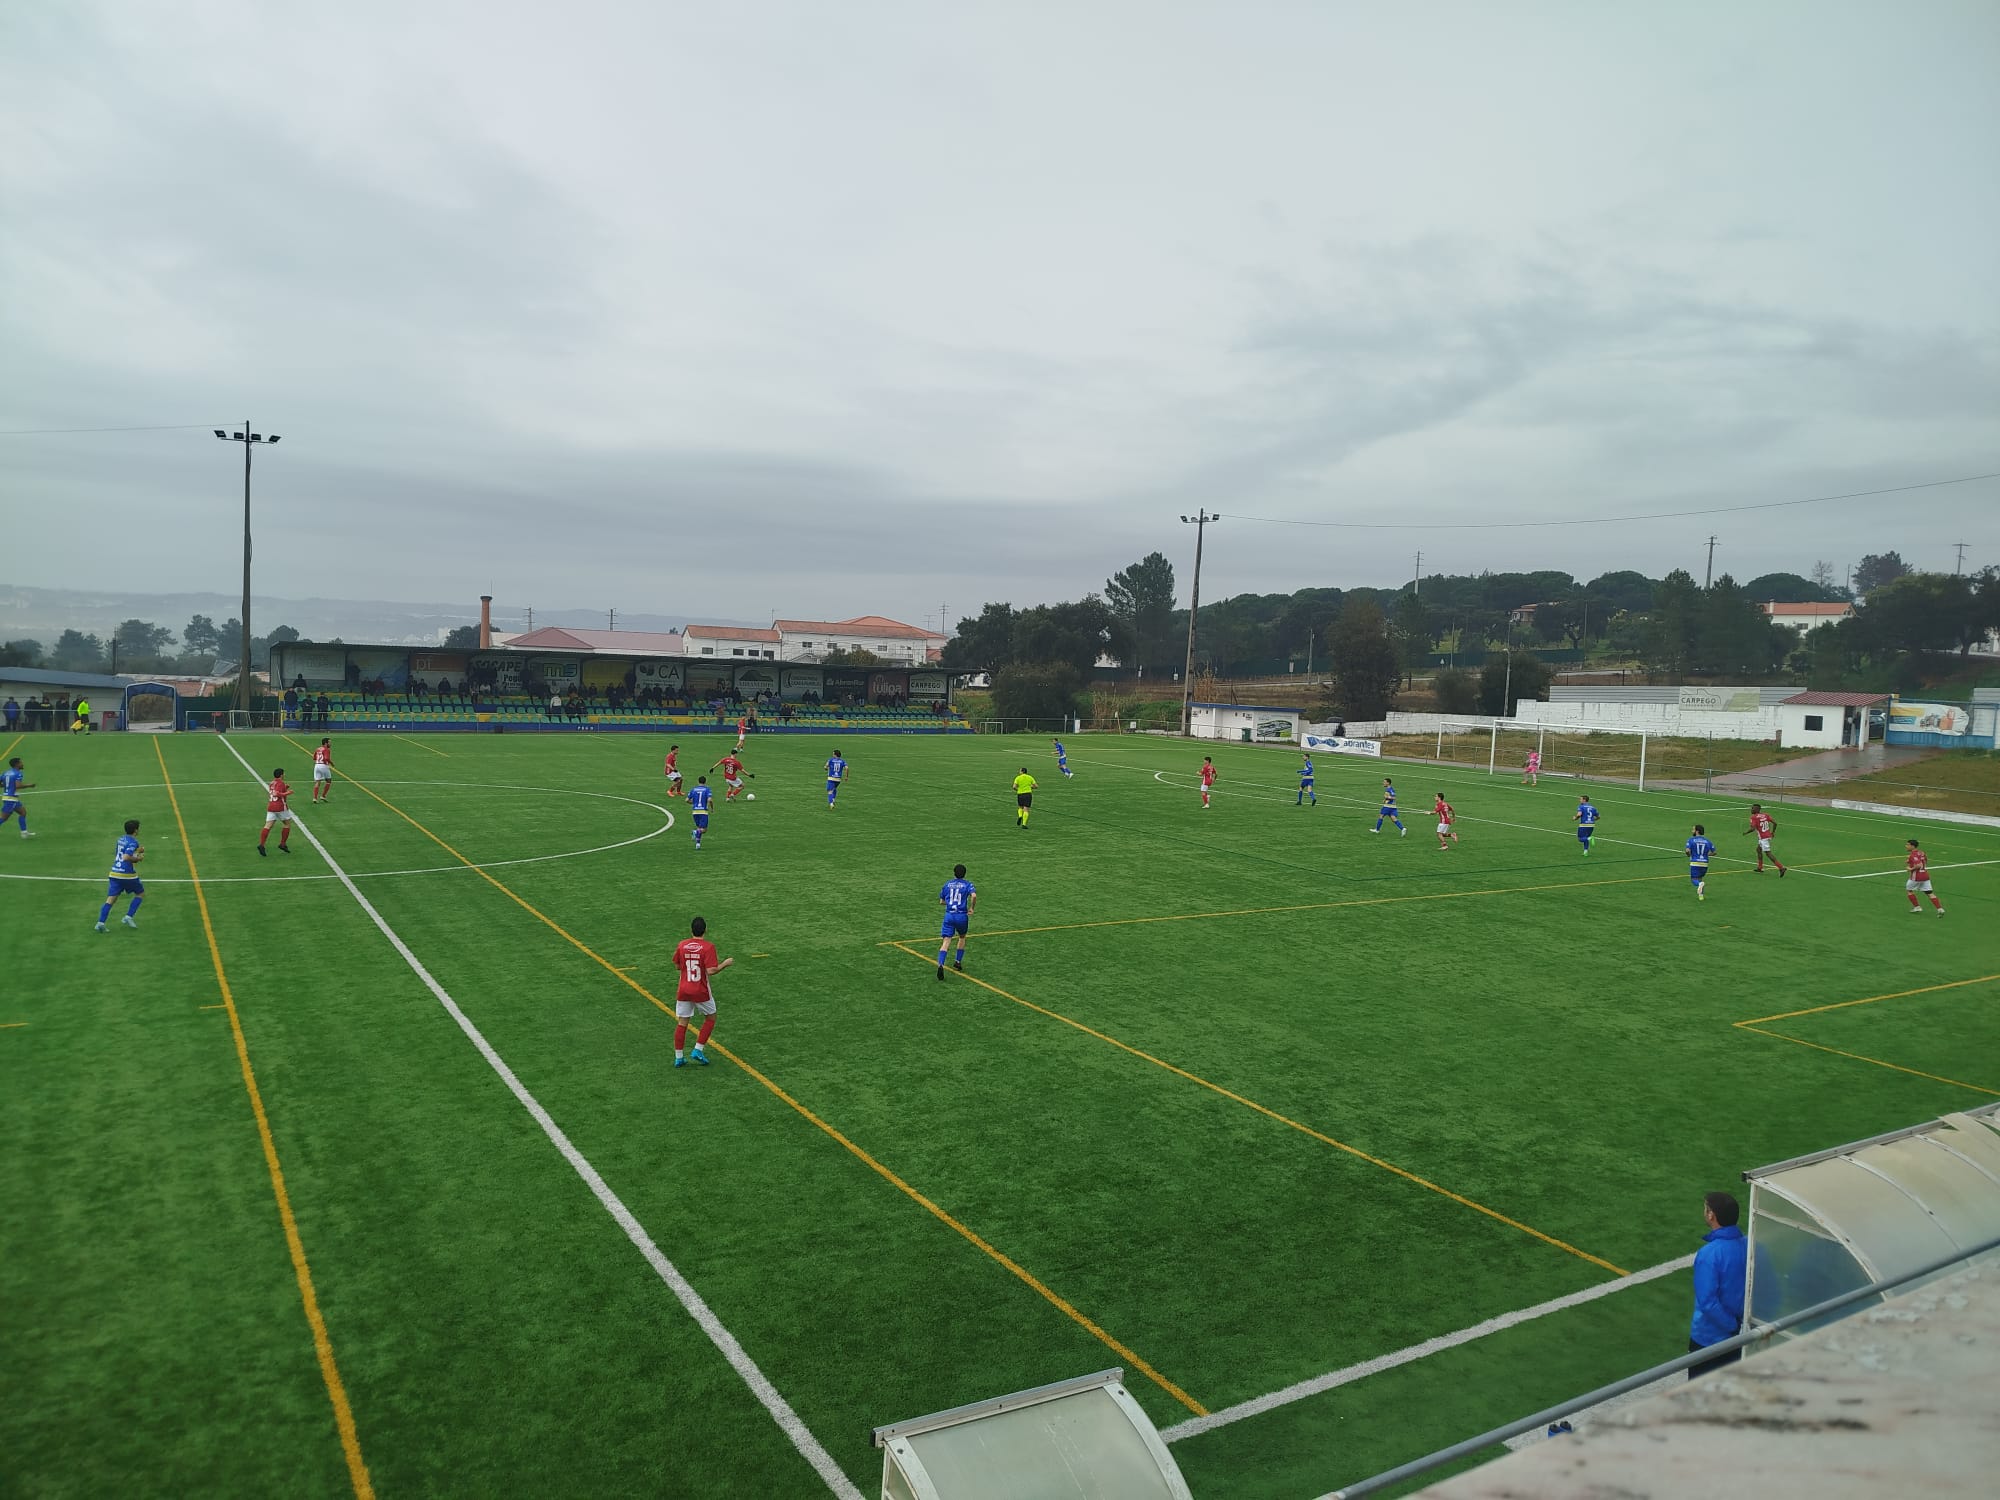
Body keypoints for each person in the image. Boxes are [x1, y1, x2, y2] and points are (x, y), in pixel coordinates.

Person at [1688, 1191, 1747, 1378]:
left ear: (1711, 1215)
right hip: (1741, 1336)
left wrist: (1732, 1326)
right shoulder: (1750, 1244)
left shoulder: (1709, 1254)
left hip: (1709, 1338)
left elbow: (1707, 1302)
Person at [670, 915, 733, 1067]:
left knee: (682, 1022)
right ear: (705, 930)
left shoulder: (682, 945)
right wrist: (725, 964)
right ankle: (698, 1049)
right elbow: (711, 970)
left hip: (684, 989)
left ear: (691, 930)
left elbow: (677, 966)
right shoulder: (708, 947)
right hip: (700, 989)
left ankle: (679, 1057)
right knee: (711, 1017)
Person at [97, 818, 145, 931]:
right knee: (140, 893)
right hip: (127, 874)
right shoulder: (133, 842)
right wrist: (138, 858)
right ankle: (128, 916)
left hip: (114, 872)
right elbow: (126, 857)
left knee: (111, 899)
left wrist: (138, 851)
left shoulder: (120, 839)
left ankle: (100, 923)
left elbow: (122, 853)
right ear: (135, 830)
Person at [937, 864, 977, 979]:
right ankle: (957, 962)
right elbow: (974, 896)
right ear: (964, 874)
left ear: (954, 873)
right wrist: (971, 908)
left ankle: (940, 964)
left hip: (949, 916)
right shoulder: (967, 884)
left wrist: (950, 903)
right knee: (962, 937)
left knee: (946, 941)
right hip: (961, 916)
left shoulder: (947, 884)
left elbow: (941, 901)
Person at [258, 767, 293, 855]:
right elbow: (277, 793)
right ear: (281, 775)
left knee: (268, 825)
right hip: (280, 807)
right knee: (287, 824)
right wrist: (287, 793)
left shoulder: (272, 783)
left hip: (271, 806)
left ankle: (261, 845)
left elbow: (275, 791)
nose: (284, 775)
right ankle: (282, 844)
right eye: (283, 773)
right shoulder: (280, 783)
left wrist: (285, 788)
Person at [1744, 804, 1785, 876]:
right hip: (1767, 836)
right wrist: (1773, 832)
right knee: (1758, 850)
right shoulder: (1765, 815)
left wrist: (1746, 832)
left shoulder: (1753, 817)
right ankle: (1760, 868)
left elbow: (1753, 829)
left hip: (1763, 838)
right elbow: (1775, 823)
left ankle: (1781, 868)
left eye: (1753, 808)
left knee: (1768, 853)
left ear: (1757, 809)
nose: (1751, 809)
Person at [1906, 839, 1944, 916]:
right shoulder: (1922, 852)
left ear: (1912, 846)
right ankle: (1940, 909)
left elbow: (1918, 865)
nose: (1906, 846)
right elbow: (1924, 861)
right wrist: (1909, 861)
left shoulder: (1913, 855)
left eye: (1907, 845)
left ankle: (1917, 907)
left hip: (1916, 877)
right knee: (1929, 893)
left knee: (1909, 890)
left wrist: (1910, 869)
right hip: (1925, 876)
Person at [1, 757, 33, 839]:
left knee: (23, 812)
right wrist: (29, 785)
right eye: (21, 762)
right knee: (3, 818)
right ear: (16, 764)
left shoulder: (5, 773)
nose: (22, 764)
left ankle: (24, 833)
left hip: (10, 798)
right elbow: (18, 786)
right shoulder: (18, 773)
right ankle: (24, 833)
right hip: (10, 799)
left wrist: (7, 785)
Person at [1686, 823, 1716, 901]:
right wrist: (1706, 854)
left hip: (1695, 863)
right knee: (1700, 878)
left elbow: (1687, 851)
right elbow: (1714, 852)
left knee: (1694, 880)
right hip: (1705, 864)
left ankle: (1699, 884)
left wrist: (1688, 854)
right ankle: (1701, 896)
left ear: (1697, 831)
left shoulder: (1691, 840)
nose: (1692, 831)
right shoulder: (1707, 841)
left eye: (1693, 829)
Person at [687, 775, 714, 850]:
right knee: (704, 830)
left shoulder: (693, 789)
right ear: (705, 782)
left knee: (699, 828)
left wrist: (694, 803)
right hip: (703, 811)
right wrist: (712, 808)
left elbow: (687, 800)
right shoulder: (707, 789)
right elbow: (710, 800)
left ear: (698, 781)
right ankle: (695, 832)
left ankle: (698, 844)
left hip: (695, 811)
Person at [311, 737, 335, 803]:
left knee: (317, 782)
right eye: (329, 742)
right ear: (326, 743)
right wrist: (331, 763)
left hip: (317, 765)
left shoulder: (318, 749)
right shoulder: (326, 749)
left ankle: (315, 798)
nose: (330, 744)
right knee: (328, 781)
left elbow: (314, 758)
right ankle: (323, 796)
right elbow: (326, 758)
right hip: (323, 766)